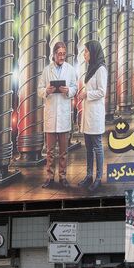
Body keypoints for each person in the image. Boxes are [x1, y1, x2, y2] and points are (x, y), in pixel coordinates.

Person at [39, 41, 78, 188]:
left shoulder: (70, 69)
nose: (62, 57)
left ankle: (63, 176)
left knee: (63, 151)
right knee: (49, 151)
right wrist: (46, 91)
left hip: (63, 114)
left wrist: (68, 90)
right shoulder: (46, 70)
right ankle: (49, 177)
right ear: (54, 54)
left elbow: (75, 87)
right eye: (59, 54)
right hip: (51, 115)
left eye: (64, 54)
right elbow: (39, 89)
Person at [77, 41, 108, 192]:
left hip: (95, 114)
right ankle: (89, 175)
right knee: (88, 148)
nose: (84, 54)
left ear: (93, 52)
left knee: (97, 147)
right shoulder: (91, 68)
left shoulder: (101, 69)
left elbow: (102, 92)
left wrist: (86, 94)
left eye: (86, 51)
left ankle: (98, 178)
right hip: (88, 113)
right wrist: (84, 93)